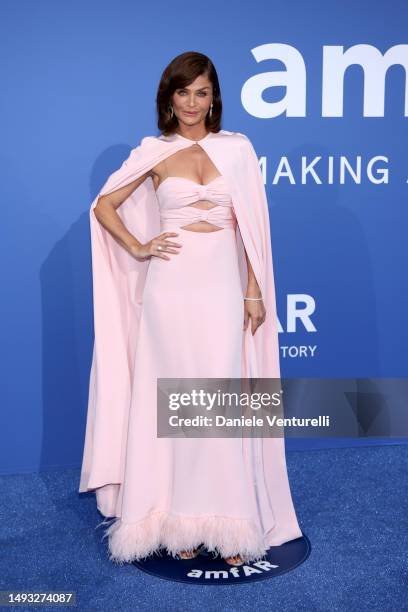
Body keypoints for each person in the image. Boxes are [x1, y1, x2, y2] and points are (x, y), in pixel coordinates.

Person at [79, 51, 303, 567]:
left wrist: (253, 289)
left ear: (213, 97)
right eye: (183, 92)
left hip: (222, 288)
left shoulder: (239, 150)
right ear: (169, 98)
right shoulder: (153, 152)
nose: (192, 103)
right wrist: (138, 247)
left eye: (201, 92)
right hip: (171, 289)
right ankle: (173, 515)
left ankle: (229, 523)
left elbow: (253, 232)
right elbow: (104, 206)